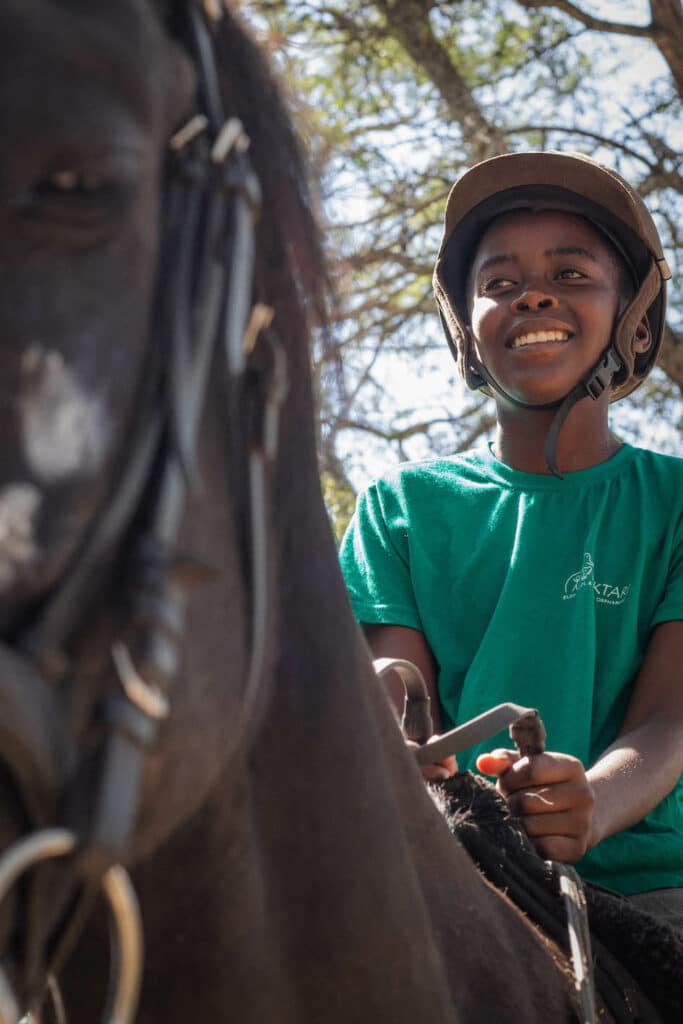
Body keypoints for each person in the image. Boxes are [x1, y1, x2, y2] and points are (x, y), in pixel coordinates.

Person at [339, 151, 683, 927]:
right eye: (497, 285)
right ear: (465, 327)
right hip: (461, 886)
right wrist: (384, 711)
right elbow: (402, 713)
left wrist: (590, 801)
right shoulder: (400, 507)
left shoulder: (673, 502)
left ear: (629, 316)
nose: (530, 295)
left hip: (650, 887)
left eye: (570, 275)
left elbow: (670, 720)